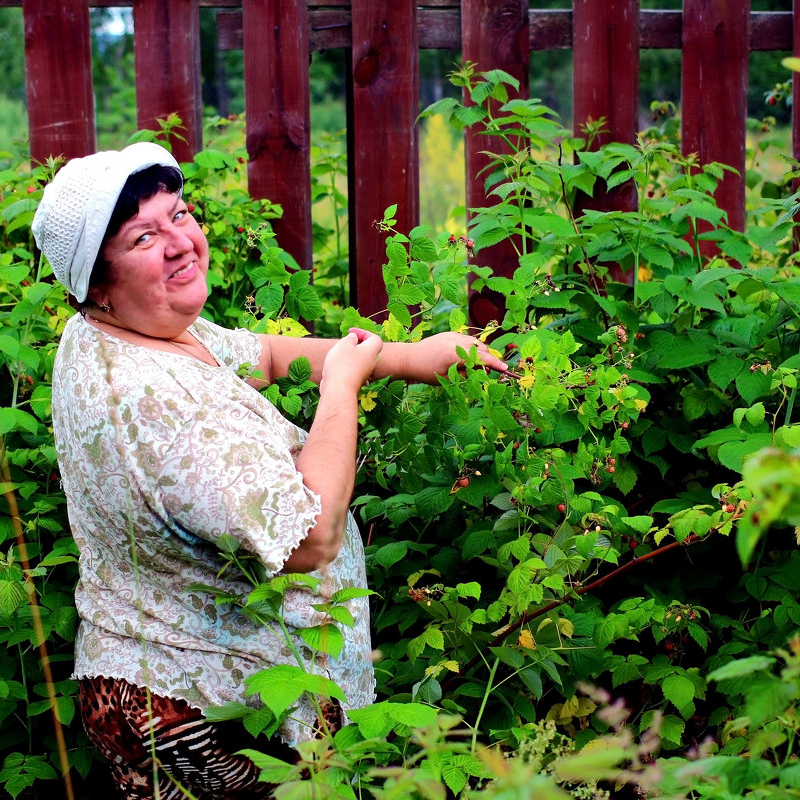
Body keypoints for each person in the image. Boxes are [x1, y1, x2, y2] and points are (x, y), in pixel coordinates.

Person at [31, 141, 506, 798]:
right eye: (145, 236)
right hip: (210, 710)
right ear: (98, 285)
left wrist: (404, 357)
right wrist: (343, 388)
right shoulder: (161, 403)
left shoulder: (111, 332)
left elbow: (261, 353)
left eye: (181, 213)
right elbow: (311, 540)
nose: (181, 243)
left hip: (152, 675)